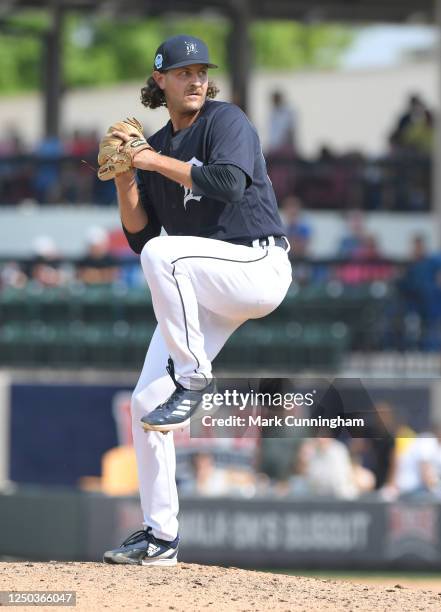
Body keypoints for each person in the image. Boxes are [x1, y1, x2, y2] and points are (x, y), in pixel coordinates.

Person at [101, 35, 292, 566]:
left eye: (201, 71)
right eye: (183, 72)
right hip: (205, 286)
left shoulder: (225, 120)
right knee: (146, 405)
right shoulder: (159, 144)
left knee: (166, 258)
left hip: (256, 264)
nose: (196, 80)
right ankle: (162, 538)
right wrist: (125, 177)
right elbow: (142, 238)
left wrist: (153, 160)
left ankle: (192, 377)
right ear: (159, 80)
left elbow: (229, 183)